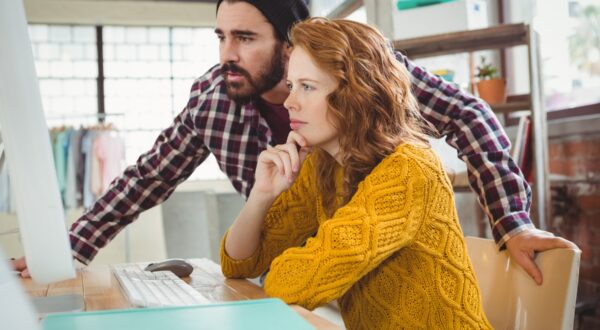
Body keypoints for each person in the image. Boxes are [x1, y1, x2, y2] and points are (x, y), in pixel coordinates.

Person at [12, 0, 575, 284]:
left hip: (374, 275)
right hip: (301, 282)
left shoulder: (362, 76)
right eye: (220, 36)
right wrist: (68, 252)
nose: (225, 53)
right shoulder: (215, 99)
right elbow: (148, 178)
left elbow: (469, 113)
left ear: (290, 43)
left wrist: (512, 221)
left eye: (245, 38)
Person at [221, 18, 492, 328]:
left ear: (356, 94)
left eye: (307, 87)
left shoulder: (410, 168)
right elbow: (238, 263)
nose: (289, 102)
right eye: (292, 85)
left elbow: (285, 283)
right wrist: (261, 195)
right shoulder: (323, 165)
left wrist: (289, 267)